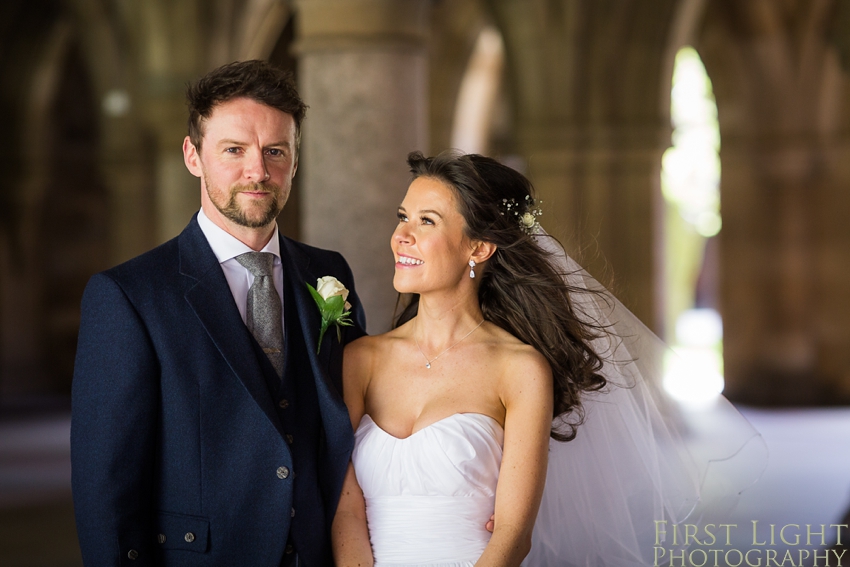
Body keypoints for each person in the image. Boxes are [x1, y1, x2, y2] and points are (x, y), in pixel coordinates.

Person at [331, 151, 765, 567]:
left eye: (427, 221)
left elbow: (514, 537)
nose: (402, 235)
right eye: (403, 217)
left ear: (478, 248)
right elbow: (344, 510)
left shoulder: (519, 370)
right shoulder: (360, 360)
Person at [71, 60, 366, 566]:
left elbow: (358, 419)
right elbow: (106, 488)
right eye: (234, 150)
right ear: (193, 156)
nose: (258, 170)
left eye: (276, 151)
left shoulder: (328, 272)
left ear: (295, 161)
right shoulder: (127, 296)